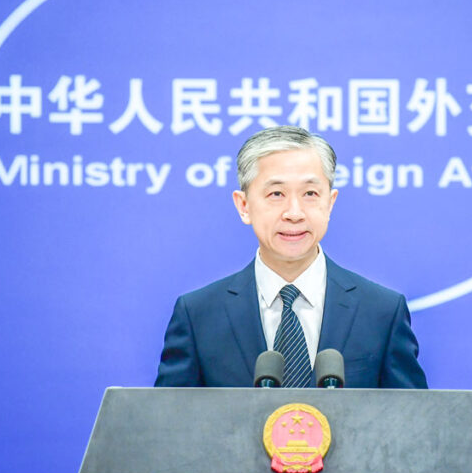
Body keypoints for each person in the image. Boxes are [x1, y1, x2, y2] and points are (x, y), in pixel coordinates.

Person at [154, 125, 427, 389]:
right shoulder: (198, 316)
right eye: (276, 194)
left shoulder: (381, 312)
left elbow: (412, 415)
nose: (294, 213)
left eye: (310, 193)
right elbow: (169, 417)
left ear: (330, 203)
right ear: (244, 205)